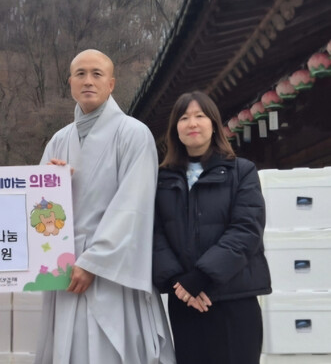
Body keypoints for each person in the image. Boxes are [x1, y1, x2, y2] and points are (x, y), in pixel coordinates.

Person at [34, 49, 175, 364]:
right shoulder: (58, 141)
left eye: (96, 74)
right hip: (66, 266)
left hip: (113, 267)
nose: (88, 81)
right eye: (80, 74)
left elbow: (133, 206)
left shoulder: (134, 134)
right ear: (70, 83)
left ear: (111, 83)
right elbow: (39, 212)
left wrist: (93, 262)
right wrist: (50, 184)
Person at [152, 91, 271, 364]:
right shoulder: (161, 179)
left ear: (214, 124)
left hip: (234, 298)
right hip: (185, 301)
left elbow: (246, 229)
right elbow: (153, 234)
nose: (192, 123)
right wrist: (179, 283)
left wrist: (201, 277)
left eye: (200, 116)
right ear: (175, 129)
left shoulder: (242, 172)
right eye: (184, 118)